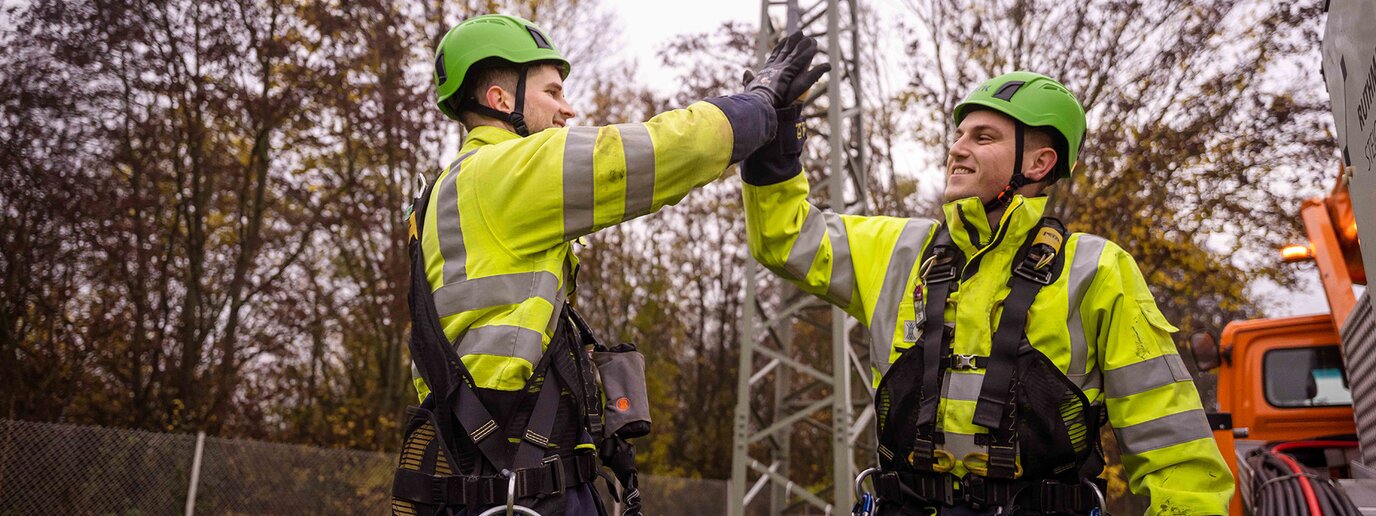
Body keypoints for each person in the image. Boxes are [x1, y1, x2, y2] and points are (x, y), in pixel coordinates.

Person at [389, 14, 829, 516]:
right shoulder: (503, 171)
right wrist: (759, 102)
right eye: (552, 92)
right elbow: (663, 151)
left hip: (491, 472)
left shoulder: (445, 192)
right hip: (521, 485)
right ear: (501, 100)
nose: (567, 108)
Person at [740, 71, 1233, 514]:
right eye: (958, 135)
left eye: (983, 137)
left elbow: (1173, 448)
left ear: (1038, 163)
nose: (956, 149)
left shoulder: (1097, 270)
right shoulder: (899, 251)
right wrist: (775, 144)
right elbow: (787, 238)